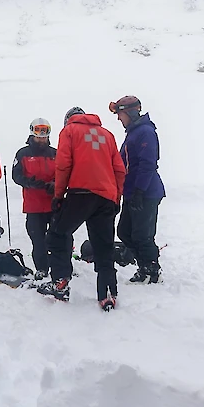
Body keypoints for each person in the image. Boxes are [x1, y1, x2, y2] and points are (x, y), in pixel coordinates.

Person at [38, 107, 125, 310]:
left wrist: (59, 195)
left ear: (68, 119)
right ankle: (108, 292)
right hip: (106, 197)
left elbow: (63, 165)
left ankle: (60, 282)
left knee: (57, 236)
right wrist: (117, 198)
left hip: (81, 194)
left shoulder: (69, 131)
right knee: (104, 246)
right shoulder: (107, 134)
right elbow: (119, 169)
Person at [111, 96, 165, 284]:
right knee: (124, 232)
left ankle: (151, 269)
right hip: (133, 192)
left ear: (131, 113)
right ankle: (144, 265)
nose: (119, 119)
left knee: (142, 235)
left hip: (146, 193)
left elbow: (147, 164)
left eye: (120, 114)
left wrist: (140, 191)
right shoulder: (134, 132)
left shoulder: (145, 132)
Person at [11, 118, 62, 279]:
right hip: (34, 206)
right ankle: (42, 268)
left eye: (44, 136)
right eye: (39, 136)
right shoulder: (23, 153)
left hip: (54, 204)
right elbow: (16, 175)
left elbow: (63, 173)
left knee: (58, 238)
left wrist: (55, 184)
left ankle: (60, 268)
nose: (41, 139)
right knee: (38, 240)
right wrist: (30, 183)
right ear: (32, 134)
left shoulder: (55, 153)